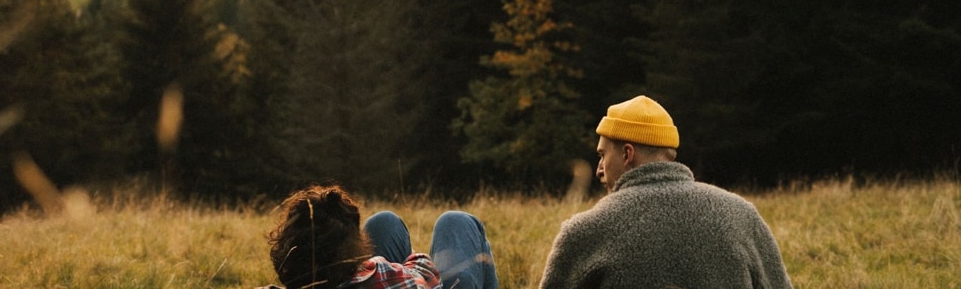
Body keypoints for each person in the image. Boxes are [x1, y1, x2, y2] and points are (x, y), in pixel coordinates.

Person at [538, 95, 793, 289]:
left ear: (627, 154)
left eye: (603, 156)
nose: (599, 171)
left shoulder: (584, 233)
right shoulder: (742, 217)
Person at [260, 184, 498, 289]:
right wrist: (403, 263)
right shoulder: (383, 276)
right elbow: (427, 275)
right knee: (455, 222)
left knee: (383, 222)